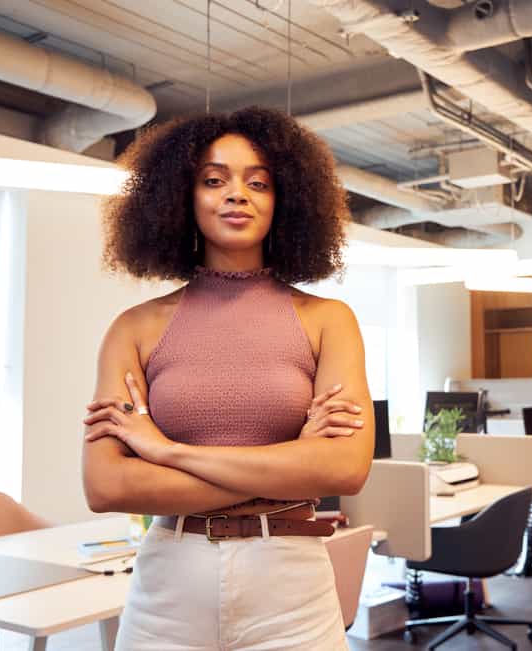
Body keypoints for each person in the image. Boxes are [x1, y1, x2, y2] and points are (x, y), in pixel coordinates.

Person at [80, 107, 374, 650]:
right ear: (180, 199)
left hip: (290, 587)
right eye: (214, 180)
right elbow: (107, 486)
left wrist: (165, 451)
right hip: (169, 587)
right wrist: (291, 465)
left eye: (257, 182)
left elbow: (345, 467)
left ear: (284, 199)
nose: (236, 194)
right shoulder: (135, 329)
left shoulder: (328, 320)